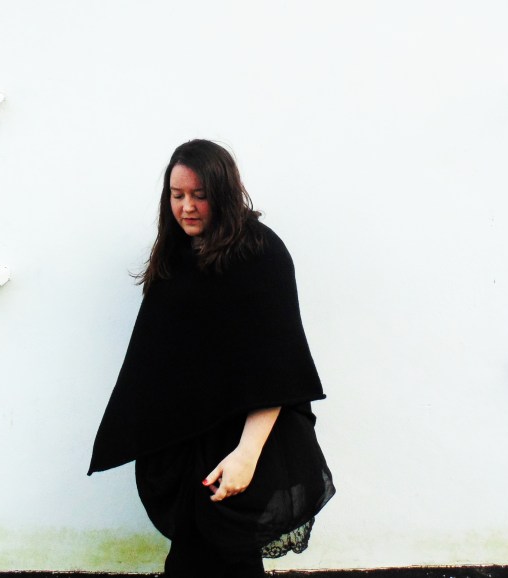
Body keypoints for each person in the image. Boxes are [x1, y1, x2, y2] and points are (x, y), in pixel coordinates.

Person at [88, 139, 335, 578]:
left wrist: (246, 455)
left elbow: (279, 364)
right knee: (199, 560)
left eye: (199, 195)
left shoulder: (261, 254)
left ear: (223, 192)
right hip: (187, 448)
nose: (186, 207)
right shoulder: (178, 252)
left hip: (237, 442)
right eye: (176, 195)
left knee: (223, 560)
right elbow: (160, 354)